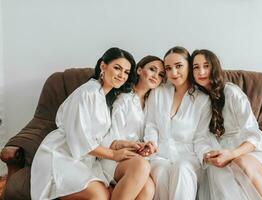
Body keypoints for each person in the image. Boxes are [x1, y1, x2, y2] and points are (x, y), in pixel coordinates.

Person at [30, 47, 151, 200]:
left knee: (132, 185)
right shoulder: (87, 93)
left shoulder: (105, 98)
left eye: (126, 72)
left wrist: (123, 144)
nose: (122, 75)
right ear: (103, 66)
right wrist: (113, 154)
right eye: (117, 68)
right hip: (61, 155)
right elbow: (79, 138)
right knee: (99, 196)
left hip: (85, 158)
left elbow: (98, 137)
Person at [191, 49, 262, 200]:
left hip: (250, 150)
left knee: (241, 163)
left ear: (214, 67)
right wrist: (209, 156)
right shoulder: (198, 99)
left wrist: (232, 154)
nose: (201, 71)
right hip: (221, 152)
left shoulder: (231, 92)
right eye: (196, 67)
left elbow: (253, 134)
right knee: (219, 172)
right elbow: (200, 137)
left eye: (206, 65)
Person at [143, 46, 211, 200]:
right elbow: (151, 125)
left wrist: (205, 155)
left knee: (182, 169)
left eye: (179, 66)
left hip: (189, 157)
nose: (173, 73)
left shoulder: (202, 100)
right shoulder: (158, 92)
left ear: (189, 65)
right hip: (160, 154)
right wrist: (150, 143)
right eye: (168, 68)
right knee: (160, 170)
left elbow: (201, 137)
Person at [101, 55, 165, 200]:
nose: (156, 76)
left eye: (161, 74)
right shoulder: (124, 99)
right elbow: (111, 137)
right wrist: (131, 147)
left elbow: (151, 130)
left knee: (148, 189)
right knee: (142, 166)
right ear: (139, 70)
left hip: (136, 157)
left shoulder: (152, 102)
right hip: (115, 157)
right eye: (152, 70)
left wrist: (147, 146)